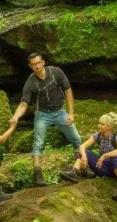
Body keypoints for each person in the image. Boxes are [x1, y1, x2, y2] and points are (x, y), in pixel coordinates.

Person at [10, 53, 86, 187]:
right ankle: (38, 175)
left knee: (76, 139)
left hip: (60, 112)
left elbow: (68, 91)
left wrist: (71, 113)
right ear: (30, 66)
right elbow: (23, 103)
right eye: (34, 64)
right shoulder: (30, 83)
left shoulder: (56, 72)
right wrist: (15, 116)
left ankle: (81, 167)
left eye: (39, 63)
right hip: (42, 115)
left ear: (43, 62)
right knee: (38, 144)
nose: (37, 66)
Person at [60, 112, 117, 200]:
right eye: (99, 123)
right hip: (102, 167)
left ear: (109, 126)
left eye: (102, 124)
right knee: (84, 152)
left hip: (116, 169)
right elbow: (82, 146)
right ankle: (75, 171)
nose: (99, 125)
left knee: (116, 158)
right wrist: (84, 156)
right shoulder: (98, 135)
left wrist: (105, 155)